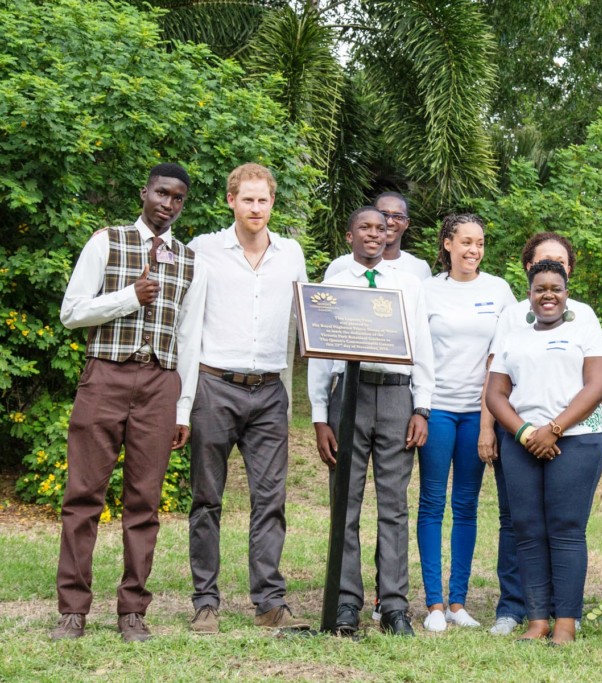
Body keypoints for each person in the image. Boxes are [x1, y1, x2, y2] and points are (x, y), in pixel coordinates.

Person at [52, 163, 207, 642]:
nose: (168, 203)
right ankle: (73, 610)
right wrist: (128, 297)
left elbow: (190, 337)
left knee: (145, 501)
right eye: (162, 193)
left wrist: (183, 408)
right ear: (145, 192)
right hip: (105, 376)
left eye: (178, 197)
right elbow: (71, 312)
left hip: (160, 383)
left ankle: (132, 611)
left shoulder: (188, 259)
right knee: (83, 497)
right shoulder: (107, 241)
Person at [186, 163, 309, 633]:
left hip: (269, 392)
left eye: (264, 200)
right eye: (248, 199)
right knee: (207, 499)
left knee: (270, 499)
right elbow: (187, 320)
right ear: (231, 200)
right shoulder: (204, 251)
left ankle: (269, 603)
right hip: (215, 386)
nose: (256, 208)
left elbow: (305, 322)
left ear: (272, 204)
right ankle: (206, 603)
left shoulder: (291, 254)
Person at [308, 207, 435, 637]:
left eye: (381, 228)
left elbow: (423, 347)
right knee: (346, 501)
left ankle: (394, 606)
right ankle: (346, 603)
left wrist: (422, 407)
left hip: (397, 394)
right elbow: (321, 356)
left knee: (394, 506)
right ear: (349, 236)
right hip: (351, 396)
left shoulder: (408, 286)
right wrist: (321, 416)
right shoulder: (335, 284)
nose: (374, 234)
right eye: (365, 227)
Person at [486, 260, 602, 645]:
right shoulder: (515, 337)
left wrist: (553, 429)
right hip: (522, 444)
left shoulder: (587, 331)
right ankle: (537, 620)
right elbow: (495, 393)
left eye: (555, 288)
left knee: (566, 530)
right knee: (527, 530)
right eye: (540, 288)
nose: (548, 295)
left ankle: (566, 622)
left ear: (566, 292)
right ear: (529, 294)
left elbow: (599, 386)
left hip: (576, 441)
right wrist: (525, 433)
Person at [417, 214, 516, 632]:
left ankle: (458, 602)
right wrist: (420, 410)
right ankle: (434, 603)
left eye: (479, 243)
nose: (473, 250)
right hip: (437, 408)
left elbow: (503, 358)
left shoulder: (499, 291)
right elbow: (418, 354)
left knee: (467, 506)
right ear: (447, 245)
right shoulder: (426, 291)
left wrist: (489, 423)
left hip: (479, 414)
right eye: (465, 242)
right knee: (432, 504)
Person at [324, 192, 431, 281]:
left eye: (398, 216)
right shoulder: (341, 266)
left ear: (406, 223)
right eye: (383, 214)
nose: (389, 222)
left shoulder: (419, 268)